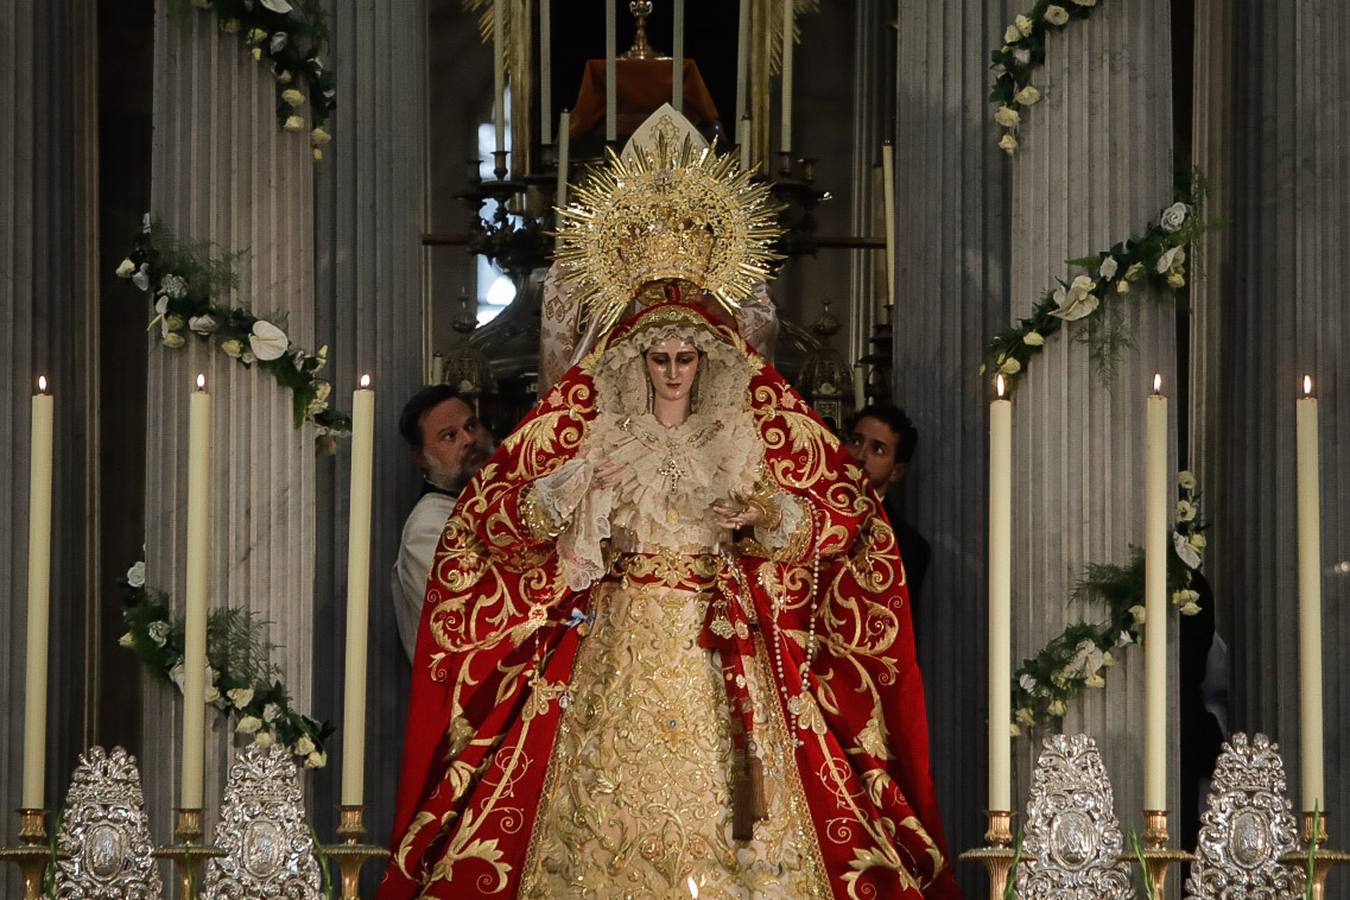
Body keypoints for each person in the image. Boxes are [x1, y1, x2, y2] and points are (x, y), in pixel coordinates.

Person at [380, 137, 960, 899]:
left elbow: (839, 521)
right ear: (638, 362)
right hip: (618, 637)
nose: (675, 373)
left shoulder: (744, 434)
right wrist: (570, 497)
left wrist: (762, 514)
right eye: (661, 360)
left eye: (688, 359)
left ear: (707, 360)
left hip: (724, 640)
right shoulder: (599, 430)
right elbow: (499, 522)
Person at [390, 385, 493, 661]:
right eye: (450, 436)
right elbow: (477, 621)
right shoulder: (428, 528)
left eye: (471, 425)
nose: (468, 439)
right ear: (422, 457)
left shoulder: (493, 500)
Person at [846, 404, 932, 608]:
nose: (860, 456)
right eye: (856, 441)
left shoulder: (909, 546)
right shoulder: (809, 513)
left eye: (877, 449)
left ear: (897, 471)